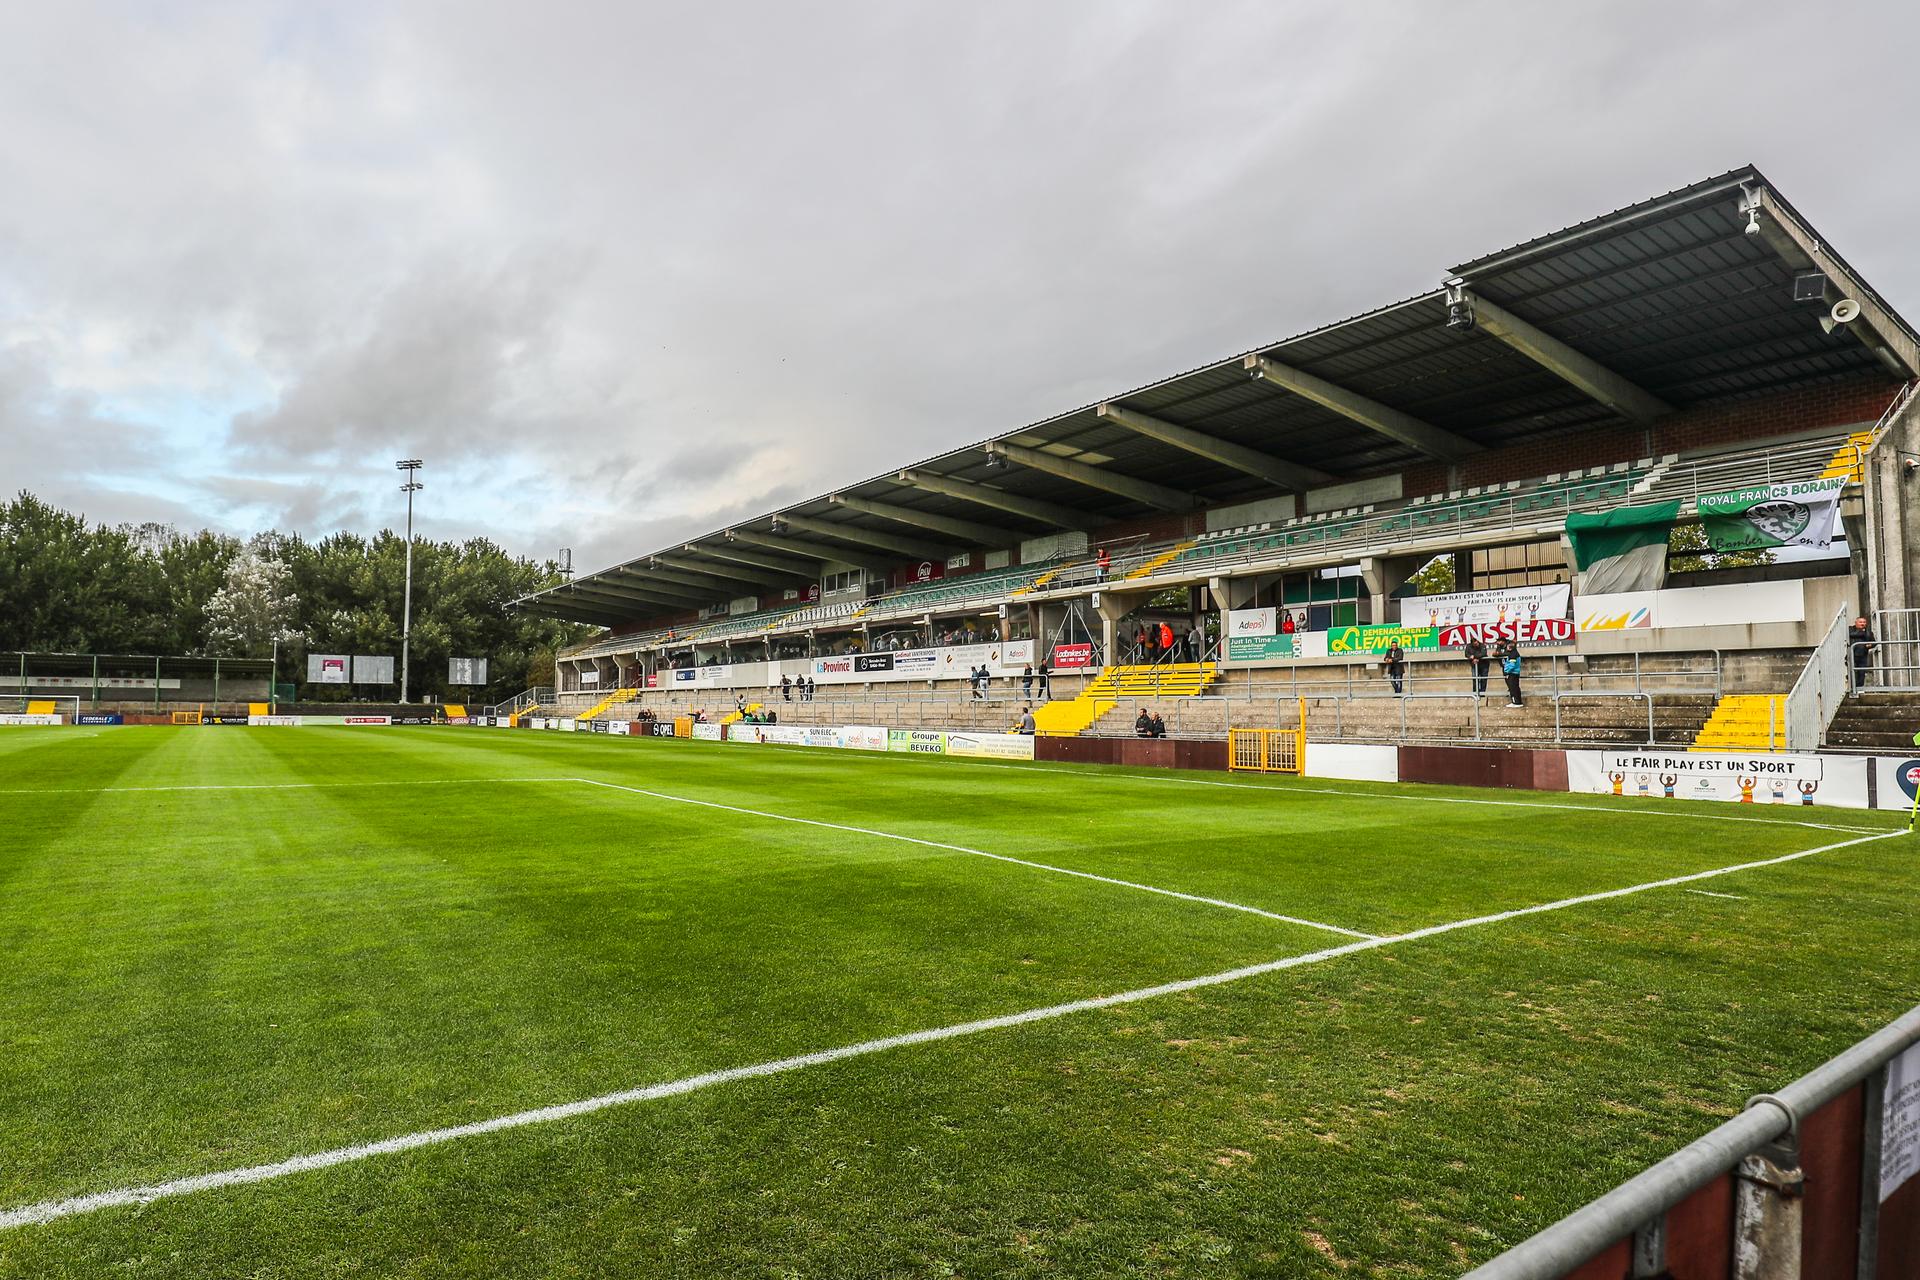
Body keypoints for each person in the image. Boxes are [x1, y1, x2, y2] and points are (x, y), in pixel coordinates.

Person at [1495, 637, 1524, 707]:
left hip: (1512, 673)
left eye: (1508, 647)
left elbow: (1512, 664)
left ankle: (1516, 702)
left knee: (1513, 687)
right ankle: (1516, 702)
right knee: (1513, 687)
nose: (1507, 648)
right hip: (1513, 672)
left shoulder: (1513, 654)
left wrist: (1506, 671)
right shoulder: (1512, 653)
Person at [1850, 616, 1876, 690]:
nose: (1862, 624)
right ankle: (1852, 688)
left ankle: (1859, 689)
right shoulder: (1850, 629)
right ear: (1856, 623)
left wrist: (1870, 645)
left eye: (1864, 622)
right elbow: (1852, 635)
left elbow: (1874, 642)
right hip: (1851, 655)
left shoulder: (1869, 632)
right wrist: (1863, 633)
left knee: (1861, 673)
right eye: (1860, 622)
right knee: (1852, 673)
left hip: (1863, 655)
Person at [1464, 635, 1490, 700]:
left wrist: (1475, 657)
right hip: (1474, 665)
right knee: (1475, 679)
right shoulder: (1468, 646)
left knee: (1484, 679)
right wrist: (1471, 657)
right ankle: (1475, 693)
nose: (1477, 645)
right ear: (1472, 644)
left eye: (1477, 643)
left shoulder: (1482, 645)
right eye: (1475, 644)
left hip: (1484, 665)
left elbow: (1483, 654)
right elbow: (1466, 654)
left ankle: (1482, 693)